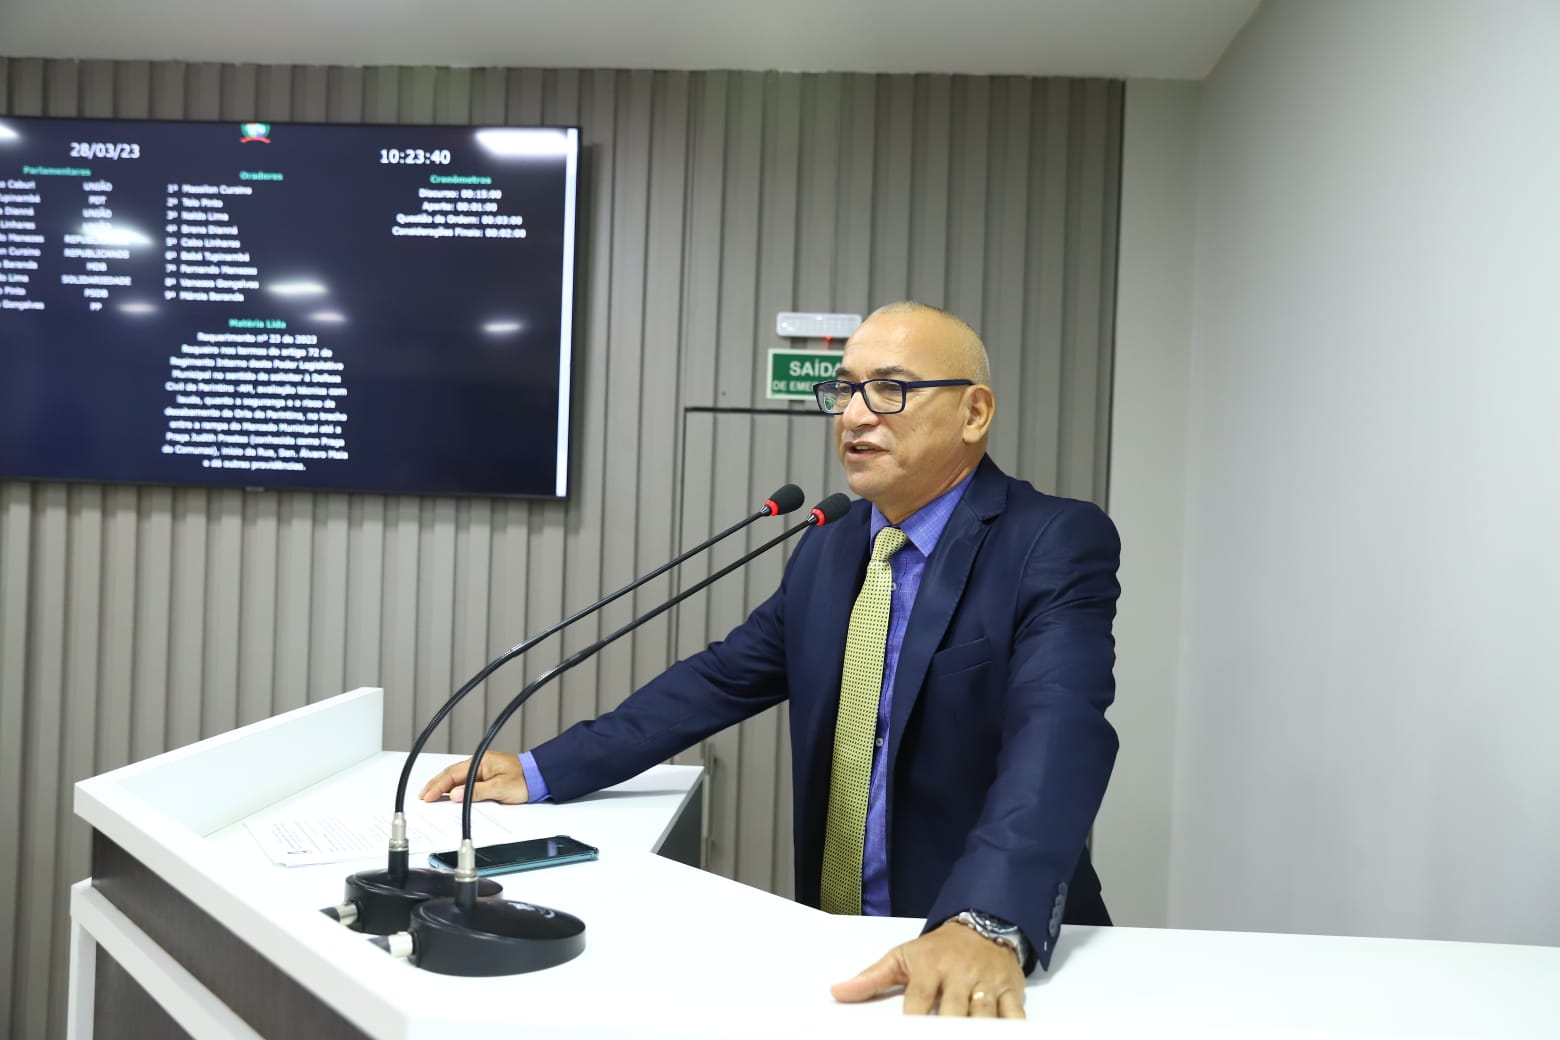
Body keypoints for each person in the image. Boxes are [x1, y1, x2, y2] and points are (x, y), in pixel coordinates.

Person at [421, 301, 1121, 1019]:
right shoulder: (831, 545)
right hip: (839, 942)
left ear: (974, 413)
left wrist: (986, 920)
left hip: (988, 951)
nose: (853, 416)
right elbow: (721, 677)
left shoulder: (1052, 541)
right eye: (844, 390)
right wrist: (543, 769)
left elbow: (1058, 733)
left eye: (890, 389)